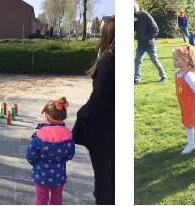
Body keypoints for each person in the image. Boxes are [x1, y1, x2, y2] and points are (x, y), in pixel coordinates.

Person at [72, 17, 115, 204]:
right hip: (110, 126)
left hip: (104, 129)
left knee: (104, 176)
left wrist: (82, 113)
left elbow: (98, 99)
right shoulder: (111, 59)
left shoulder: (108, 61)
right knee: (110, 174)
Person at [26, 97, 75, 205]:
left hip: (41, 174)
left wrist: (35, 163)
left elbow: (30, 155)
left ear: (47, 116)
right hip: (59, 174)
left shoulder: (40, 134)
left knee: (41, 199)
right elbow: (70, 154)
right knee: (57, 199)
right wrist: (60, 160)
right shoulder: (69, 134)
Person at [134, 0, 168, 84]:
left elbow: (156, 29)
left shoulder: (145, 14)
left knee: (155, 61)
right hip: (141, 44)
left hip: (149, 44)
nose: (132, 8)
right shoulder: (134, 17)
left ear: (137, 5)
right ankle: (136, 79)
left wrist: (147, 38)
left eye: (133, 6)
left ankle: (164, 77)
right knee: (137, 60)